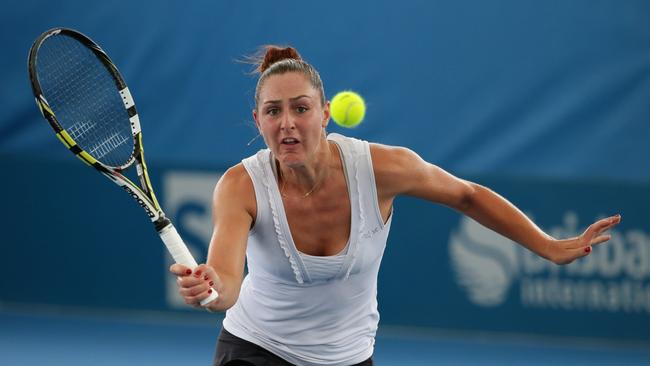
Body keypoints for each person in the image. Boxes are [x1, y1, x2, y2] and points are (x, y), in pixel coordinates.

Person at [170, 45, 621, 366]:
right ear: (258, 121)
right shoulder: (240, 185)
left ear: (325, 113)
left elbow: (467, 194)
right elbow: (226, 283)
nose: (287, 123)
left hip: (349, 357)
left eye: (301, 108)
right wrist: (209, 291)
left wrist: (546, 245)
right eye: (273, 112)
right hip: (256, 349)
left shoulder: (381, 168)